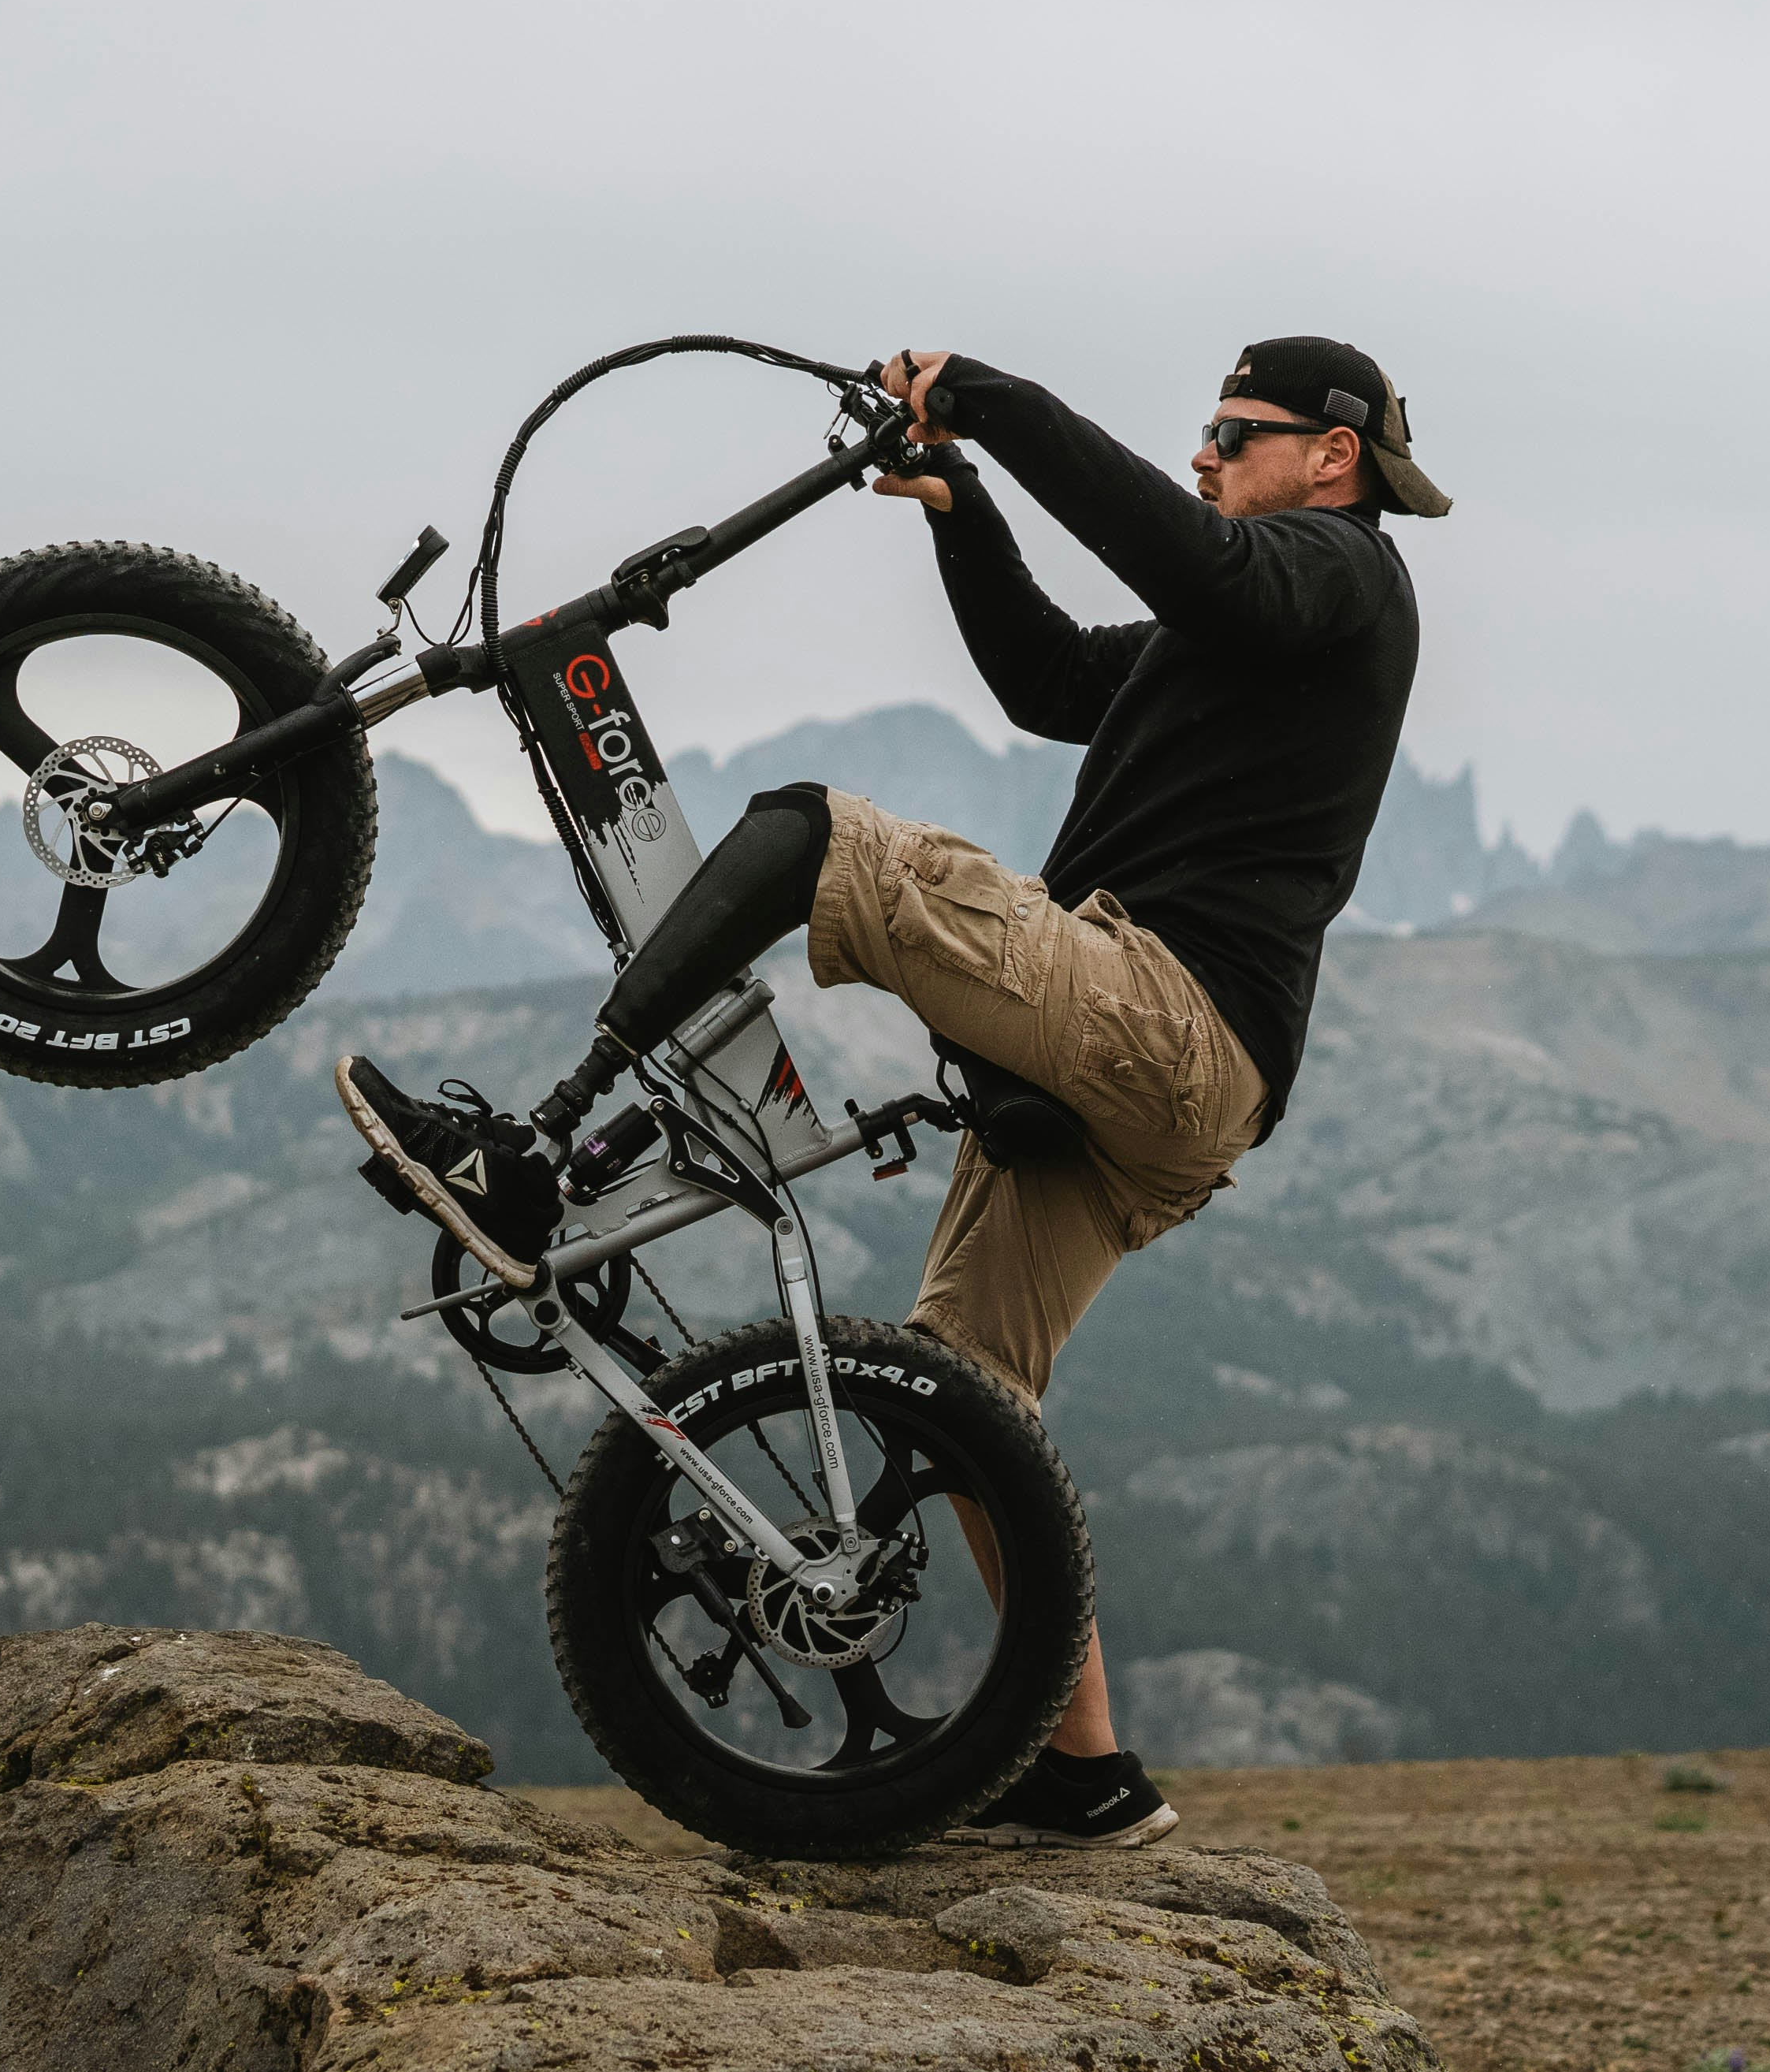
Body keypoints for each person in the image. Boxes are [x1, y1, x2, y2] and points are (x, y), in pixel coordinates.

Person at [342, 334, 1444, 1847]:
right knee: (963, 1400)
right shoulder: (1247, 632)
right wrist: (959, 502)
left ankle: (532, 1152)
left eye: (1229, 432)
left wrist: (988, 393)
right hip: (1162, 1082)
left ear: (1331, 456)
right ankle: (1084, 1777)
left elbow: (1201, 569)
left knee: (816, 832)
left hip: (1171, 1019)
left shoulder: (1343, 575)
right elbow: (1054, 681)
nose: (1201, 454)